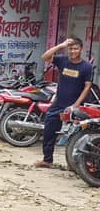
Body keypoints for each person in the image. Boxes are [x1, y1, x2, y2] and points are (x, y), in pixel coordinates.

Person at [36, 37, 96, 168]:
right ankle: (47, 160)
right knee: (49, 131)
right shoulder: (62, 60)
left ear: (81, 49)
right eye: (71, 49)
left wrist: (76, 105)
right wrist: (61, 45)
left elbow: (87, 87)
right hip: (58, 104)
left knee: (77, 136)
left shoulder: (87, 67)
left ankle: (77, 165)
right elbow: (45, 57)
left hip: (75, 106)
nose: (73, 51)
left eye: (76, 48)